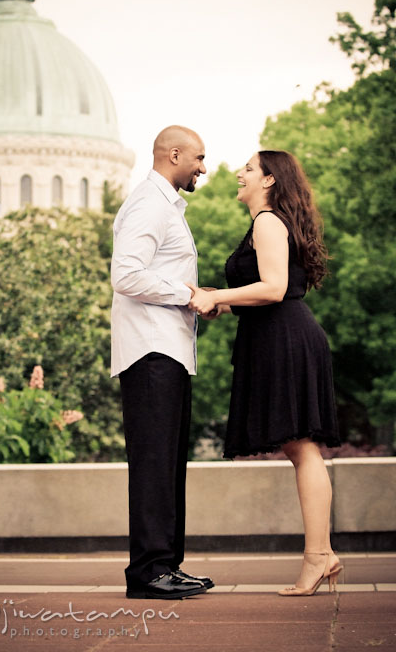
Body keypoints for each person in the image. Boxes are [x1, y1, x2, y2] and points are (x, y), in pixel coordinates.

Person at [187, 150, 342, 597]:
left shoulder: (267, 222)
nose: (240, 174)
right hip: (280, 336)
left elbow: (274, 289)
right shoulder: (266, 223)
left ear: (270, 180)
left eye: (249, 169)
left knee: (303, 447)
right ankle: (322, 554)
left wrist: (218, 298)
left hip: (285, 339)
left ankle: (319, 556)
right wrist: (222, 299)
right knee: (301, 448)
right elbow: (272, 287)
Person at [111, 125, 214, 599]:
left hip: (167, 350)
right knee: (155, 463)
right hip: (151, 351)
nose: (203, 167)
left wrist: (194, 295)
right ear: (174, 154)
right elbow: (126, 275)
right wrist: (187, 296)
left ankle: (165, 565)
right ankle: (150, 571)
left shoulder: (164, 204)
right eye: (198, 157)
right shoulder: (150, 203)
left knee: (168, 463)